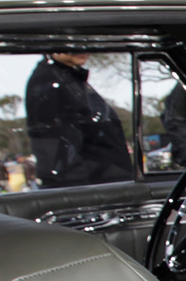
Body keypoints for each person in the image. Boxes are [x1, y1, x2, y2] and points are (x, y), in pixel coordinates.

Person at [25, 52, 134, 188]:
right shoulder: (49, 82)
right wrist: (80, 197)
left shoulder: (68, 78)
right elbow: (57, 151)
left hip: (106, 186)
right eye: (69, 43)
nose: (82, 49)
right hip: (92, 192)